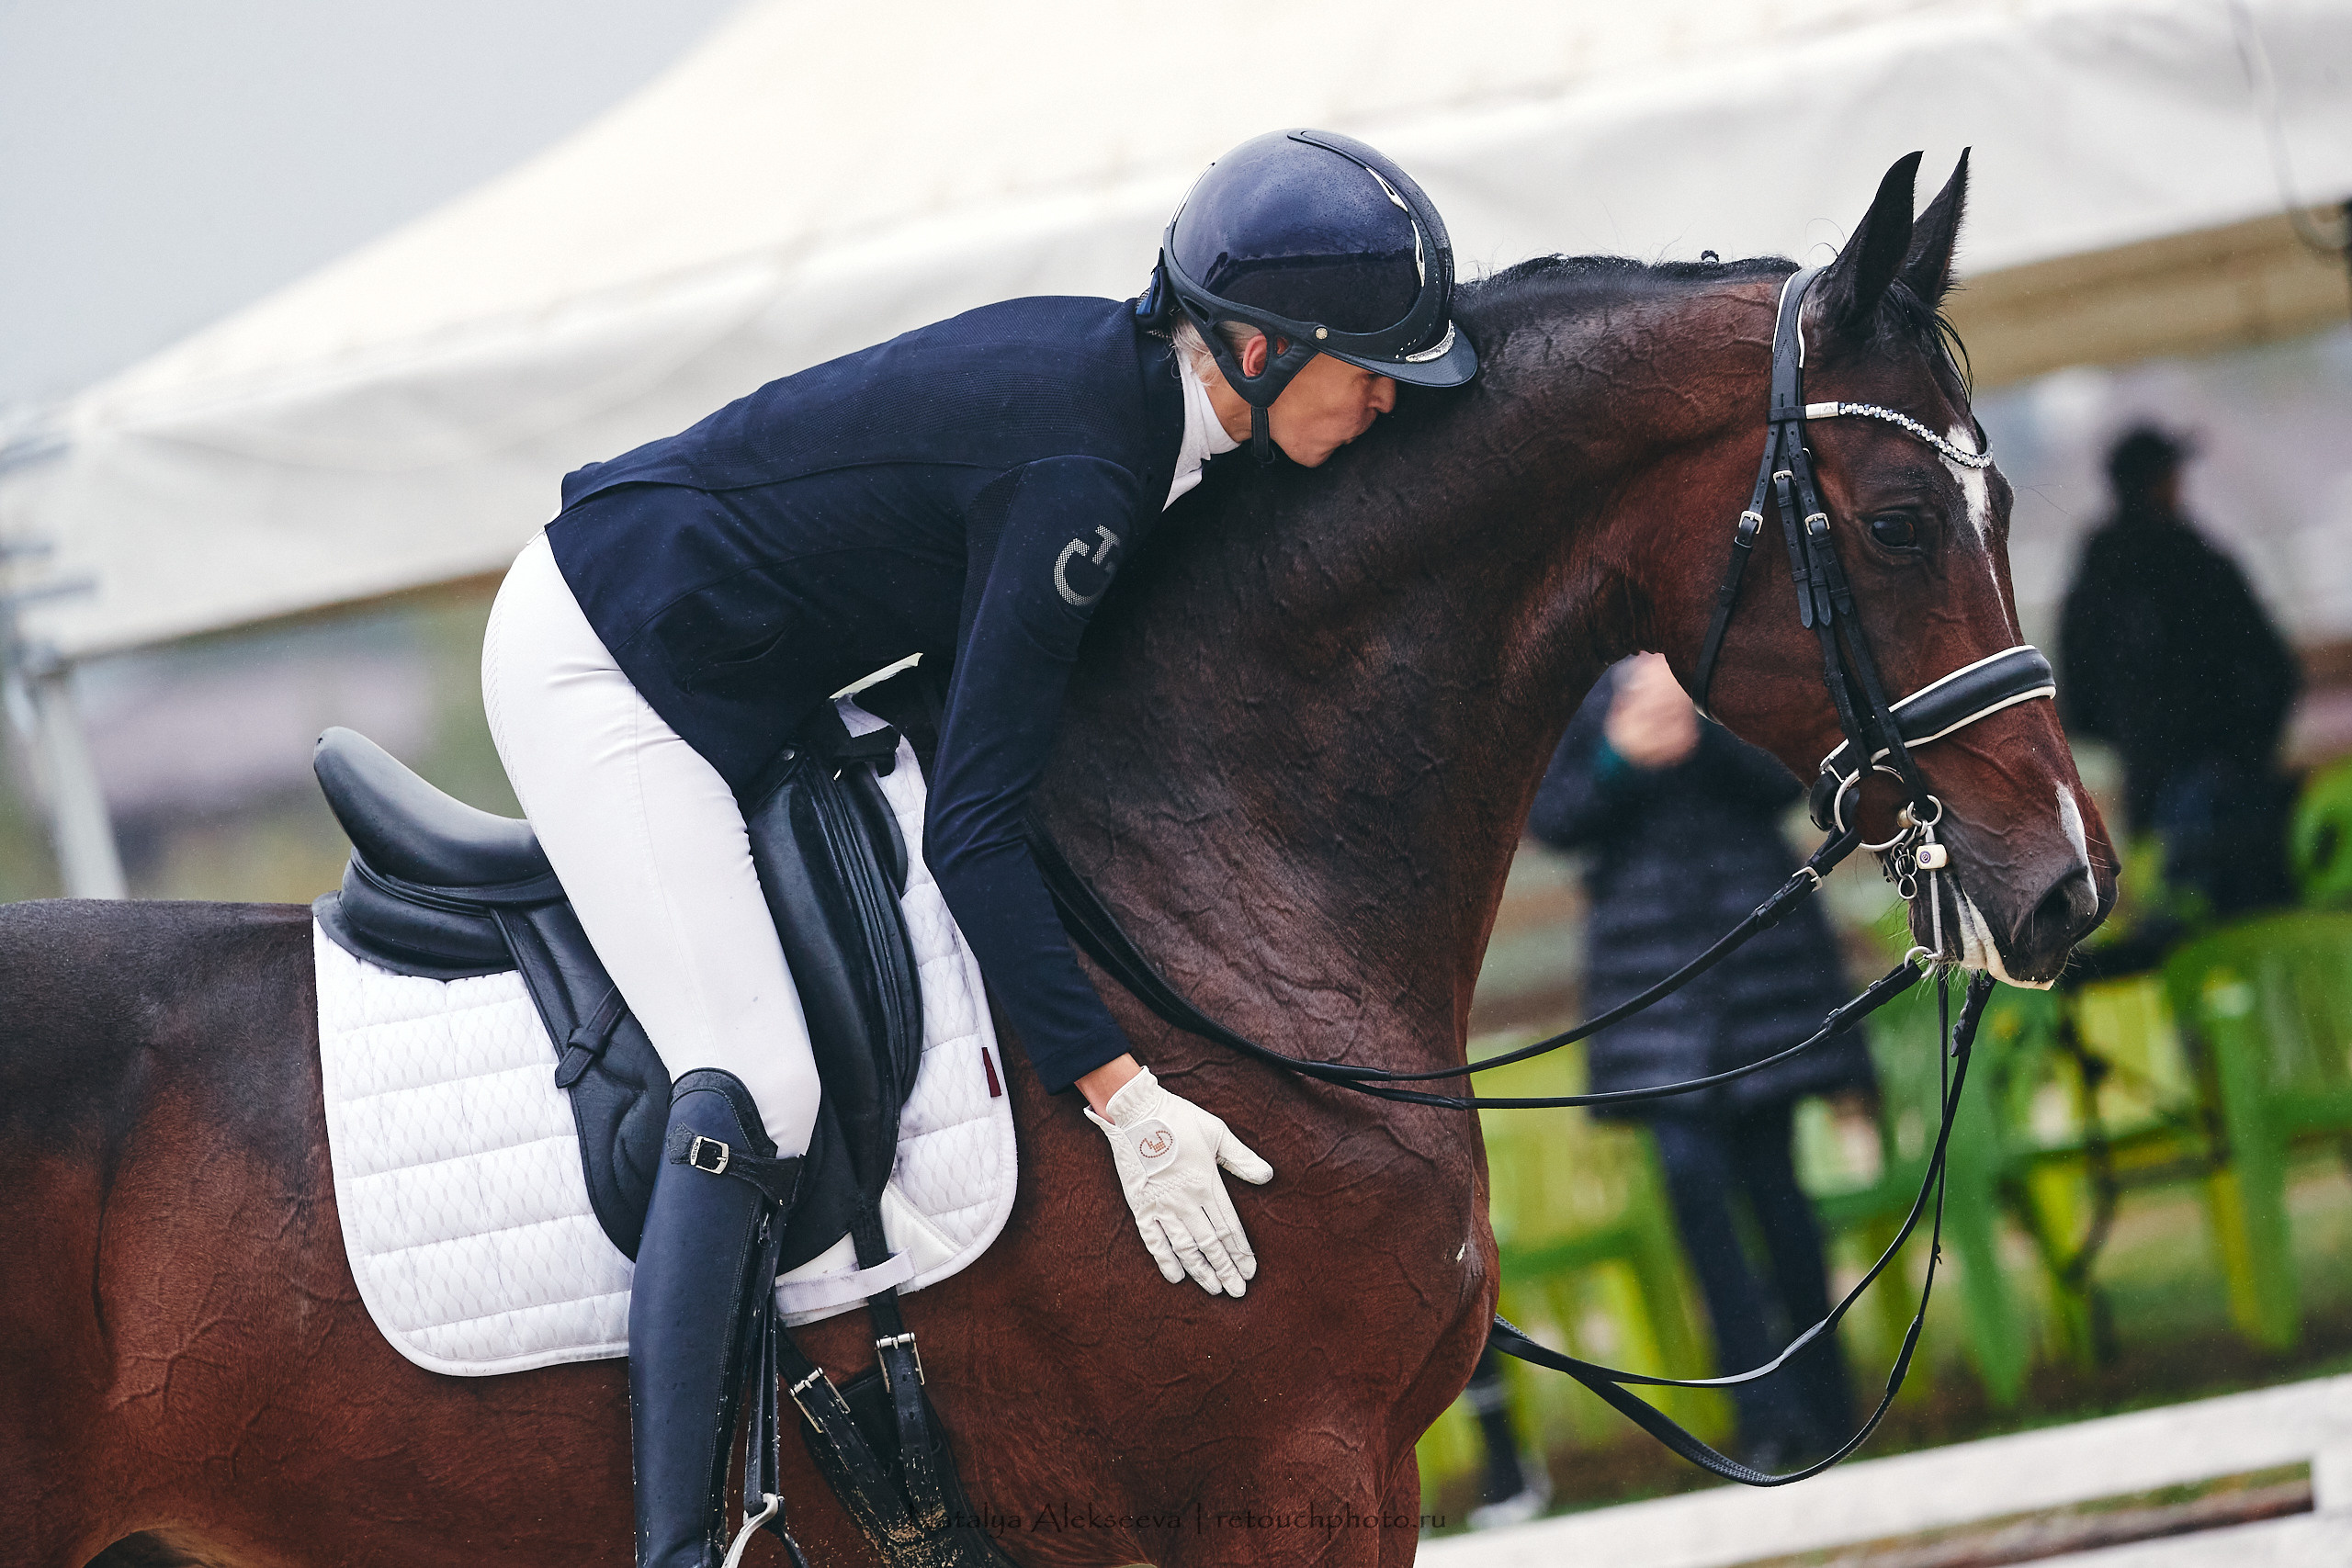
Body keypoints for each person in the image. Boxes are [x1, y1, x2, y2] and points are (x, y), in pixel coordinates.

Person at [479, 129, 1479, 1568]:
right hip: (609, 656)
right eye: (1371, 361)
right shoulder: (1091, 469)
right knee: (756, 1071)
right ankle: (678, 1543)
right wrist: (1123, 1093)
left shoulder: (1149, 422)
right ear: (1258, 348)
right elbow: (978, 830)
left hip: (753, 668)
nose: (1390, 393)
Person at [1527, 653, 1873, 1470]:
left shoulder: (1728, 655)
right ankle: (1763, 1411)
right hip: (1652, 971)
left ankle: (1828, 1401)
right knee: (1693, 1183)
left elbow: (1788, 778)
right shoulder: (1580, 675)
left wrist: (1704, 724)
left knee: (1779, 1190)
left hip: (1755, 952)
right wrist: (1620, 753)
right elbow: (1557, 815)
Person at [2058, 426, 2300, 919]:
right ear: (2158, 482)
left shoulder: (2098, 578)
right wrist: (2247, 746)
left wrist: (2137, 740)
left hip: (2153, 789)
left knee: (2178, 929)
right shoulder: (2200, 561)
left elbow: (2077, 702)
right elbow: (2276, 668)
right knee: (2255, 919)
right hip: (2236, 787)